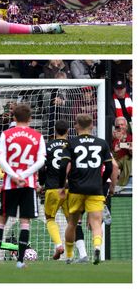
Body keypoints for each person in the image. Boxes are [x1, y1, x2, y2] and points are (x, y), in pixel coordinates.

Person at [0, 103, 46, 269]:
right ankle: (20, 261)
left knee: (1, 220)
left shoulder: (6, 134)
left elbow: (2, 160)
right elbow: (41, 161)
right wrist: (24, 176)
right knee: (25, 221)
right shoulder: (38, 136)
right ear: (30, 119)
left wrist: (14, 176)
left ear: (14, 117)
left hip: (9, 185)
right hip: (29, 184)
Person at [60, 113, 119, 265]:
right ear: (92, 126)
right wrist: (100, 181)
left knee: (72, 223)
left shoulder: (70, 143)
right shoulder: (102, 143)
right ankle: (97, 247)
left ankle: (69, 255)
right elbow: (111, 167)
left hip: (76, 189)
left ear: (76, 126)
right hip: (95, 188)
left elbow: (63, 166)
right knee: (96, 222)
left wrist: (63, 185)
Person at [38, 120, 87, 262]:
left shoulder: (47, 146)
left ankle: (59, 245)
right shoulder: (72, 145)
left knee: (50, 219)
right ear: (68, 131)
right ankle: (83, 253)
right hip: (69, 189)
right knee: (73, 223)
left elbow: (41, 167)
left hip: (52, 189)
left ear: (55, 131)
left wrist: (42, 183)